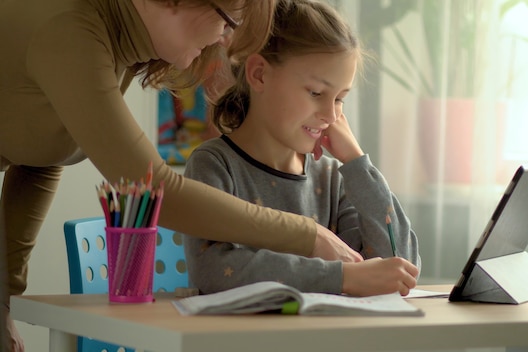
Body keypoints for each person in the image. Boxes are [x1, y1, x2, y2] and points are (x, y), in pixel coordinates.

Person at [0, 0, 364, 350]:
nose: (224, 38)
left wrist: (4, 299)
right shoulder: (71, 32)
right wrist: (307, 234)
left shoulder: (116, 39)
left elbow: (41, 155)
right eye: (226, 21)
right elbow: (160, 190)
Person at [183, 0, 421, 298]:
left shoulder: (334, 177)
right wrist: (340, 277)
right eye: (316, 93)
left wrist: (357, 162)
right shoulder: (216, 165)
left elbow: (400, 267)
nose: (331, 116)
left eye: (339, 99)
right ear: (259, 74)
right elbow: (214, 271)